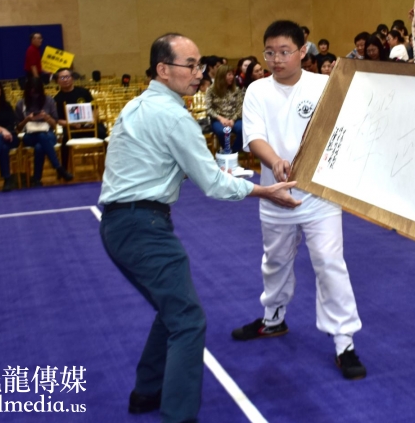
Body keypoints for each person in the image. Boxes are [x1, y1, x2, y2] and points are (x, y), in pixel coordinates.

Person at [98, 33, 299, 423]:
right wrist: (264, 191)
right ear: (163, 69)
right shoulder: (174, 117)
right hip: (143, 227)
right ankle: (178, 414)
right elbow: (213, 184)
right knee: (188, 320)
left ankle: (146, 391)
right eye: (190, 65)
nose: (199, 73)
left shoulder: (136, 107)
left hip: (120, 225)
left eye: (200, 65)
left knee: (172, 310)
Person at [233, 19, 366, 381]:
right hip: (274, 194)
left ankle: (344, 342)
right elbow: (254, 137)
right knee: (275, 261)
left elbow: (343, 133)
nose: (276, 59)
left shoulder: (324, 86)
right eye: (269, 53)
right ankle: (273, 318)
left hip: (320, 198)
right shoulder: (257, 91)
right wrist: (275, 161)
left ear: (302, 51)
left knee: (329, 263)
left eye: (284, 52)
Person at [16, 76, 74, 187]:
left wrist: (47, 117)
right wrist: (27, 119)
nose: (34, 95)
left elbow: (54, 124)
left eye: (36, 92)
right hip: (29, 136)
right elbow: (18, 128)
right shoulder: (21, 103)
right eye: (32, 92)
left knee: (40, 146)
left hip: (48, 133)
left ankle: (37, 179)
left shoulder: (49, 100)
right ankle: (59, 168)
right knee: (42, 137)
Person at [54, 67, 107, 170]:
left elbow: (95, 108)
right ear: (57, 81)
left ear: (72, 78)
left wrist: (93, 119)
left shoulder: (84, 92)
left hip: (90, 126)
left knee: (104, 135)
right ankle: (63, 170)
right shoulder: (57, 99)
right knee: (64, 141)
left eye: (67, 77)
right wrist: (72, 124)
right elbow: (58, 120)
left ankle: (111, 165)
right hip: (72, 129)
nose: (65, 80)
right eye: (62, 78)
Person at [205, 64, 244, 153]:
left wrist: (233, 120)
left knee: (243, 129)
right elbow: (208, 108)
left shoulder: (236, 90)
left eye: (232, 74)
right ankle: (227, 151)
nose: (232, 77)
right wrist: (221, 118)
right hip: (218, 119)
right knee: (223, 132)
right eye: (229, 74)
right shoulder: (211, 90)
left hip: (234, 118)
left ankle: (233, 152)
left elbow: (240, 107)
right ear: (222, 76)